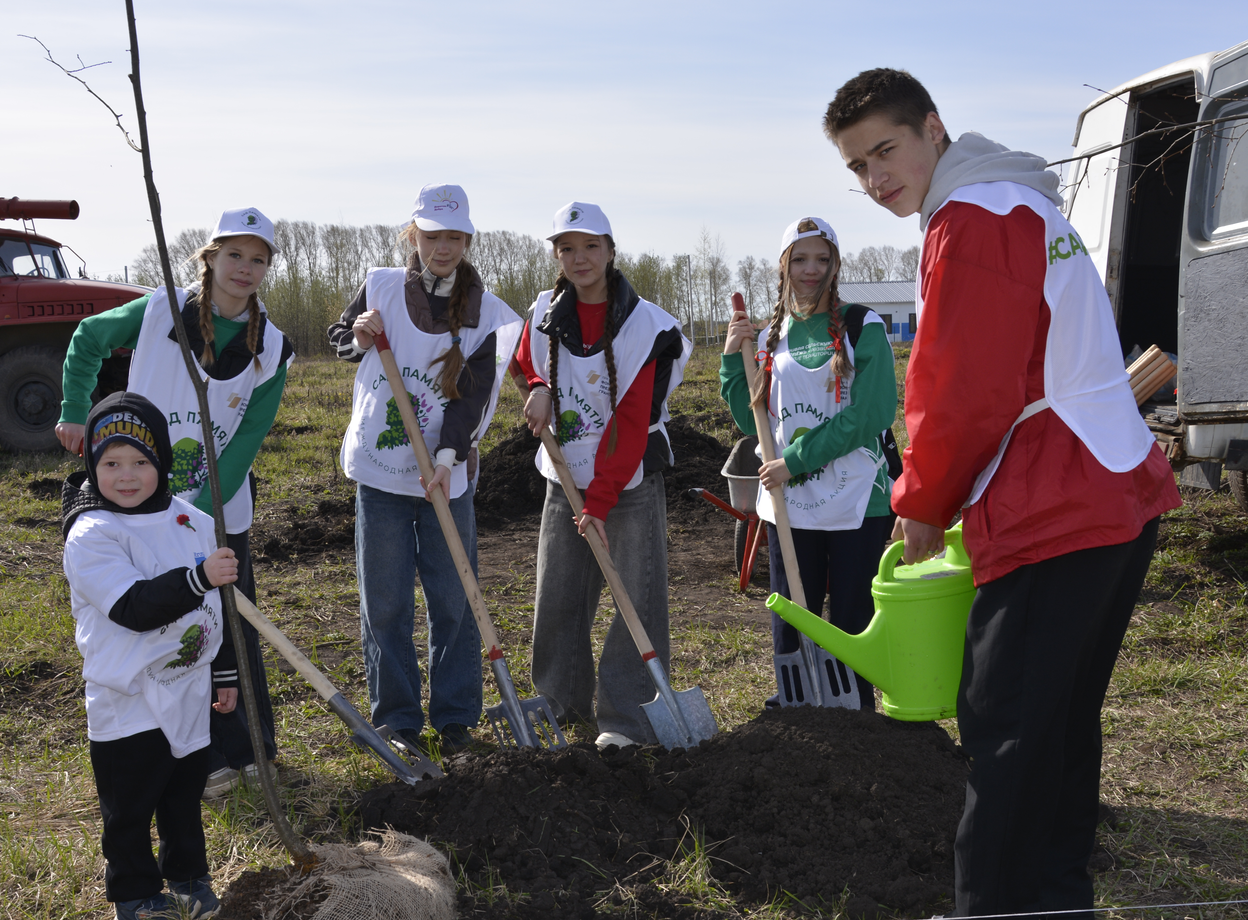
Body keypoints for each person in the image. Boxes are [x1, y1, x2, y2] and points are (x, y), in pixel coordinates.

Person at [825, 69, 1181, 920]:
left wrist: (920, 503)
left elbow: (961, 385)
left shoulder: (971, 219)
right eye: (857, 166)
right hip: (1116, 483)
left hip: (1054, 496)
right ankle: (1060, 894)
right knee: (1062, 707)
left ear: (933, 129)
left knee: (1005, 714)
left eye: (886, 150)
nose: (875, 177)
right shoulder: (1024, 203)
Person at [57, 208, 294, 800]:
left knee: (230, 621)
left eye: (258, 259)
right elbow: (88, 338)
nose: (245, 268)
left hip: (217, 510)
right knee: (171, 626)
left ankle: (251, 747)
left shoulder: (273, 347)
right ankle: (197, 754)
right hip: (137, 506)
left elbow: (247, 437)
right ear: (210, 257)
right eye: (234, 254)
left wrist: (197, 516)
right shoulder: (160, 309)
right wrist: (74, 410)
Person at [326, 184, 522, 757]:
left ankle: (456, 720)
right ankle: (397, 721)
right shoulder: (381, 286)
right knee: (385, 602)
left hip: (447, 475)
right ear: (414, 236)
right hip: (381, 475)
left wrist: (445, 460)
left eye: (455, 237)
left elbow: (473, 400)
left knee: (454, 598)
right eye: (433, 236)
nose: (443, 247)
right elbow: (341, 341)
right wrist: (358, 335)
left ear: (467, 241)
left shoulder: (488, 315)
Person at [512, 201, 691, 749]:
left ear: (611, 251)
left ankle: (626, 719)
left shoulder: (648, 327)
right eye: (567, 248)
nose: (579, 258)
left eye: (591, 246)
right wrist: (538, 386)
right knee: (558, 595)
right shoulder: (545, 310)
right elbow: (524, 358)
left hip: (628, 482)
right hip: (563, 478)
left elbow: (631, 423)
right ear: (556, 256)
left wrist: (601, 501)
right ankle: (560, 702)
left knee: (635, 599)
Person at [61, 392, 240, 920]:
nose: (127, 475)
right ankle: (134, 895)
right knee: (131, 802)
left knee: (183, 793)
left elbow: (220, 604)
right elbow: (134, 608)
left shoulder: (191, 519)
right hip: (129, 696)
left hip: (188, 686)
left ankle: (187, 876)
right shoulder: (91, 534)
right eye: (111, 463)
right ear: (92, 466)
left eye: (140, 461)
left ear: (161, 460)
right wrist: (199, 577)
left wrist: (224, 669)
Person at [720, 216, 897, 710]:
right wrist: (733, 358)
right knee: (793, 619)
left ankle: (854, 715)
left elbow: (872, 414)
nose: (811, 269)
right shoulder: (770, 337)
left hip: (857, 500)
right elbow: (754, 419)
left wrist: (795, 460)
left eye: (822, 259)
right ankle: (797, 714)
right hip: (791, 504)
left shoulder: (863, 326)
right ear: (783, 266)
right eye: (800, 259)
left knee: (852, 618)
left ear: (836, 265)